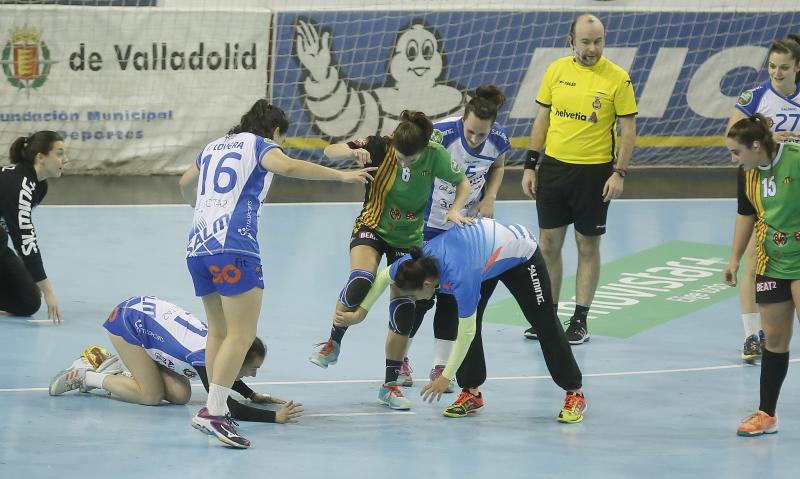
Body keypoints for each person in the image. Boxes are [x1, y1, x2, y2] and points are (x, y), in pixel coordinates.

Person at [179, 100, 375, 449]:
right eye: (280, 138)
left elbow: (184, 183)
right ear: (274, 131)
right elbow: (289, 166)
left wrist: (203, 210)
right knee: (241, 334)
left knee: (219, 332)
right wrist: (342, 175)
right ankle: (213, 412)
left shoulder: (212, 147)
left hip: (198, 245)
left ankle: (214, 405)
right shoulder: (258, 144)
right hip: (234, 246)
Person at [334, 218, 586, 423]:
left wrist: (446, 376)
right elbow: (382, 278)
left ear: (427, 284)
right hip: (482, 258)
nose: (412, 299)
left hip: (520, 255)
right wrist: (360, 313)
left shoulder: (462, 276)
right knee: (465, 322)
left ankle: (574, 392)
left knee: (544, 323)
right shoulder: (415, 262)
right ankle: (472, 392)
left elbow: (465, 333)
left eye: (413, 295)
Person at [308, 110, 472, 410]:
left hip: (408, 239)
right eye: (400, 156)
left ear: (423, 149)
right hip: (371, 225)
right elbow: (329, 149)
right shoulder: (381, 145)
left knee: (404, 310)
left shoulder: (435, 155)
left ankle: (390, 386)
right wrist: (352, 150)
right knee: (362, 279)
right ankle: (333, 343)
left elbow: (463, 184)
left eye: (411, 159)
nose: (403, 162)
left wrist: (455, 210)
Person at [520, 14, 637, 344]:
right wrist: (530, 165)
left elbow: (628, 131)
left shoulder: (618, 79)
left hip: (595, 173)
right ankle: (548, 315)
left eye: (598, 41)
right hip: (555, 169)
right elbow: (542, 119)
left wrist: (619, 172)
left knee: (587, 245)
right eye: (585, 41)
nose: (592, 48)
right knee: (547, 244)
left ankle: (580, 319)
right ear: (570, 41)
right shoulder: (556, 70)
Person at [395, 85, 511, 391]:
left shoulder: (498, 139)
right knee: (418, 298)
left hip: (463, 230)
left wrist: (490, 198)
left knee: (449, 300)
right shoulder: (441, 135)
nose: (474, 139)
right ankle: (401, 361)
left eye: (480, 135)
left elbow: (498, 166)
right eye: (470, 132)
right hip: (428, 226)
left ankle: (440, 367)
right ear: (463, 119)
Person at [48, 296, 303, 430]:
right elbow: (225, 406)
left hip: (146, 323)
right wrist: (274, 418)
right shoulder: (205, 356)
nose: (254, 375)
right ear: (239, 358)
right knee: (150, 395)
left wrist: (251, 393)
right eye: (253, 369)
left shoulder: (220, 345)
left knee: (181, 395)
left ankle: (119, 367)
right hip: (127, 323)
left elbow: (225, 377)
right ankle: (85, 375)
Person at [723, 114, 800, 437]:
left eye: (737, 152)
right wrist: (735, 259)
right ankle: (766, 414)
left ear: (756, 146)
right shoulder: (748, 174)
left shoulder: (795, 161)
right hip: (771, 262)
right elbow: (746, 214)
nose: (733, 159)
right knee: (775, 340)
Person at [727, 36, 800, 362]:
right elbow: (733, 132)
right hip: (760, 177)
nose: (777, 72)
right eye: (772, 66)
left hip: (794, 182)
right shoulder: (756, 97)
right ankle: (751, 335)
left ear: (797, 67)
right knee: (757, 256)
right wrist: (771, 137)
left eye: (784, 67)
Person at [0, 131, 68, 323]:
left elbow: (20, 232)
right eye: (60, 153)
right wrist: (48, 291)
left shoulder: (39, 186)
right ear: (41, 157)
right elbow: (24, 238)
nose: (66, 159)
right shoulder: (19, 184)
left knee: (27, 301)